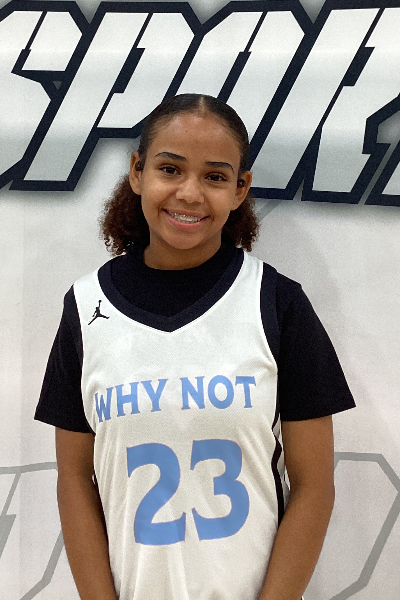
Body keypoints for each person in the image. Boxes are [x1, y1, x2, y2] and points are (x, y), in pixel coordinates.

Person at [35, 93, 355, 600]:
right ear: (137, 172)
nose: (189, 193)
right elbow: (74, 479)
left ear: (240, 188)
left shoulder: (277, 303)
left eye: (215, 176)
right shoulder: (84, 307)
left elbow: (314, 486)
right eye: (170, 169)